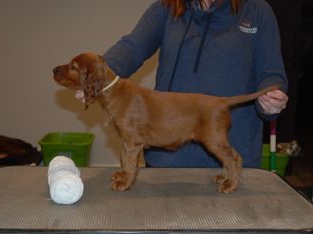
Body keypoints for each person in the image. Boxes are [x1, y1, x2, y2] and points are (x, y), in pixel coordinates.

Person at [98, 0, 289, 168]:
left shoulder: (257, 11)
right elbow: (132, 48)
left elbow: (271, 72)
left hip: (234, 150)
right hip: (169, 160)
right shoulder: (165, 9)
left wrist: (272, 97)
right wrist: (98, 76)